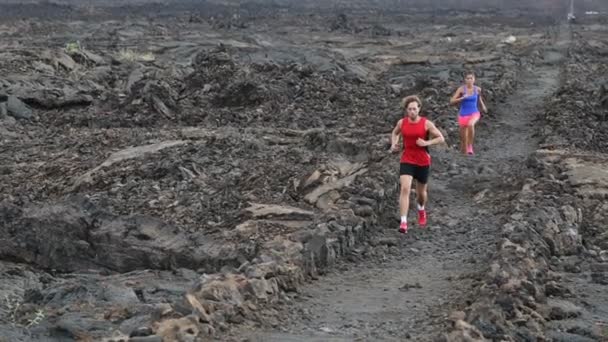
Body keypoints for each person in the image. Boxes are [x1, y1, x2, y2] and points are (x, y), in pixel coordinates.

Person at [390, 95, 445, 234]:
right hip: (407, 159)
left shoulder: (426, 123)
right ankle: (404, 222)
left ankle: (421, 209)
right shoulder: (402, 123)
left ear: (419, 109)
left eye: (414, 109)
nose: (412, 111)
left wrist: (427, 143)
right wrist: (394, 144)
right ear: (406, 110)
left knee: (421, 194)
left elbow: (440, 138)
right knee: (405, 188)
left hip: (422, 160)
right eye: (410, 109)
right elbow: (395, 133)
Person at [450, 72, 488, 155]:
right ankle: (465, 157)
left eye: (471, 78)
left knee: (471, 124)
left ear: (474, 79)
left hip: (474, 113)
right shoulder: (461, 89)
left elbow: (479, 98)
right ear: (465, 80)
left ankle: (470, 146)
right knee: (464, 143)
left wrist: (483, 106)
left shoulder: (477, 89)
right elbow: (452, 101)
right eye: (468, 78)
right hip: (463, 115)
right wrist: (462, 98)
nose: (469, 80)